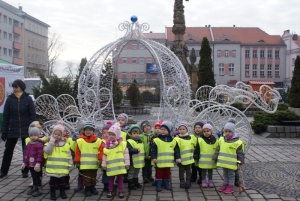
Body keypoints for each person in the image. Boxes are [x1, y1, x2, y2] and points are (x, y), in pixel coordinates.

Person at [0, 79, 36, 178]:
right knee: (8, 150)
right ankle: (3, 171)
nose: (14, 89)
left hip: (26, 129)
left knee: (26, 151)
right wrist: (4, 131)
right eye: (13, 87)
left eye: (16, 87)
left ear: (21, 87)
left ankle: (25, 170)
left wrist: (33, 128)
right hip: (13, 129)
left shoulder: (28, 99)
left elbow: (32, 115)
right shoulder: (10, 99)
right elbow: (6, 116)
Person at [213, 121, 245, 194]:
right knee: (225, 174)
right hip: (224, 162)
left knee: (231, 175)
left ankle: (231, 186)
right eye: (226, 131)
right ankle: (225, 184)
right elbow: (218, 149)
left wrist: (240, 162)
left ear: (233, 132)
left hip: (232, 163)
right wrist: (215, 157)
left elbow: (240, 154)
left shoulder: (237, 142)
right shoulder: (221, 140)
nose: (227, 133)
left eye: (229, 131)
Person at [101, 122, 130, 198]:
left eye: (113, 135)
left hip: (120, 166)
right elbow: (105, 155)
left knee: (120, 179)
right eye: (109, 134)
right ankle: (110, 190)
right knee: (111, 179)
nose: (111, 136)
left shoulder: (122, 144)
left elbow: (126, 154)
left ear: (117, 135)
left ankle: (121, 191)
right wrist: (104, 164)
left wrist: (127, 163)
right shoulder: (107, 145)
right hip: (111, 166)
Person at [151, 120, 180, 192]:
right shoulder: (156, 140)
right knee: (159, 174)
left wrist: (177, 158)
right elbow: (153, 150)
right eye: (161, 129)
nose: (163, 131)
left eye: (165, 130)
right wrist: (153, 157)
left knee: (167, 173)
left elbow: (176, 150)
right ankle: (158, 184)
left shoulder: (173, 141)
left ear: (169, 131)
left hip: (168, 162)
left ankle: (167, 183)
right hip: (159, 162)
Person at [74, 121, 102, 197]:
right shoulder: (80, 141)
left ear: (93, 131)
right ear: (84, 131)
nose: (88, 131)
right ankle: (87, 188)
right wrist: (77, 161)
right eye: (86, 130)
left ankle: (92, 187)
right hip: (84, 164)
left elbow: (100, 151)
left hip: (94, 164)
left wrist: (100, 160)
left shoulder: (98, 141)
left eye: (90, 130)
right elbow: (77, 152)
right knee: (86, 177)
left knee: (93, 176)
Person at [44, 123, 70, 200]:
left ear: (61, 135)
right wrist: (51, 142)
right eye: (55, 134)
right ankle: (52, 193)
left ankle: (62, 192)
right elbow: (47, 151)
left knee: (62, 181)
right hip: (53, 167)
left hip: (62, 167)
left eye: (59, 135)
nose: (56, 136)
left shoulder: (65, 144)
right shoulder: (49, 143)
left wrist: (70, 162)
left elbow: (68, 154)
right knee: (53, 181)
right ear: (52, 134)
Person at [22, 127, 44, 197]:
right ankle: (34, 186)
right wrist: (24, 162)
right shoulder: (29, 143)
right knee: (33, 176)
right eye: (31, 135)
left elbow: (40, 155)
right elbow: (26, 153)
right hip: (30, 164)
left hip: (36, 164)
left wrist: (38, 163)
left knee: (37, 176)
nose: (33, 137)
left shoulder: (39, 144)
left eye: (35, 135)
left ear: (38, 135)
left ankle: (38, 189)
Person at [195, 123, 218, 188]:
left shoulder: (215, 140)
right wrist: (196, 157)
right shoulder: (200, 139)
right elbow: (197, 149)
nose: (206, 133)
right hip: (203, 160)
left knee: (210, 170)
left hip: (211, 159)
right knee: (203, 171)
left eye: (208, 131)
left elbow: (217, 149)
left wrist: (216, 158)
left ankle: (210, 180)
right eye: (204, 131)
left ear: (211, 131)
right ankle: (203, 180)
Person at [174, 122, 196, 189]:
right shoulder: (177, 139)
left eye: (183, 129)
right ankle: (182, 181)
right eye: (180, 129)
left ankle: (188, 181)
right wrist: (177, 158)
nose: (182, 130)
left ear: (186, 130)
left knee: (188, 171)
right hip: (181, 159)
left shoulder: (191, 137)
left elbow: (194, 147)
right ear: (178, 130)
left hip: (189, 159)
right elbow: (176, 149)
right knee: (181, 171)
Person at [127, 124, 144, 190]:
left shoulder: (140, 141)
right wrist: (135, 150)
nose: (136, 135)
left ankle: (135, 182)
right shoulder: (129, 141)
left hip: (138, 161)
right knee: (131, 172)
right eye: (134, 133)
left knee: (136, 172)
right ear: (130, 134)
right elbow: (128, 150)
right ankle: (130, 184)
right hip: (132, 161)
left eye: (137, 133)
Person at [70, 119, 85, 193]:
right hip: (78, 158)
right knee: (81, 172)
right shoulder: (75, 138)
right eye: (82, 129)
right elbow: (73, 149)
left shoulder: (88, 137)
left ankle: (88, 185)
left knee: (88, 173)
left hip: (86, 158)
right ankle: (80, 184)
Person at [99, 122, 111, 192]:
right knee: (105, 173)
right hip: (104, 160)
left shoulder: (112, 141)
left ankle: (110, 183)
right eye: (104, 133)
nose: (106, 135)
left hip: (111, 159)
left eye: (108, 133)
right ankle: (106, 185)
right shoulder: (102, 142)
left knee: (110, 173)